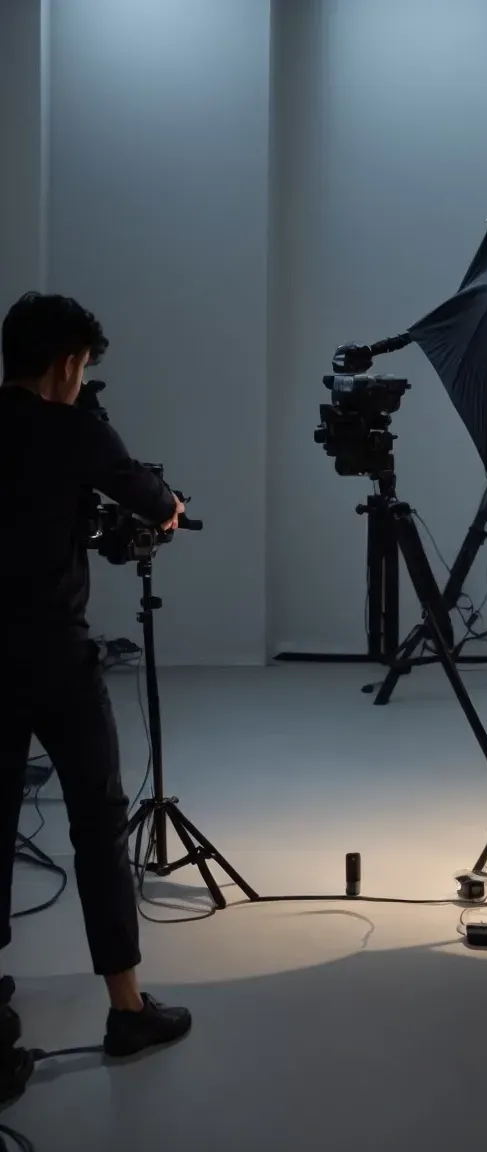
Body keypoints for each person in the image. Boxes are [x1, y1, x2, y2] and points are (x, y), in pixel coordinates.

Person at [0, 293, 193, 1089]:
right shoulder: (74, 428)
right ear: (70, 362)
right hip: (56, 659)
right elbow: (153, 503)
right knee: (98, 827)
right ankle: (126, 1008)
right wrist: (170, 511)